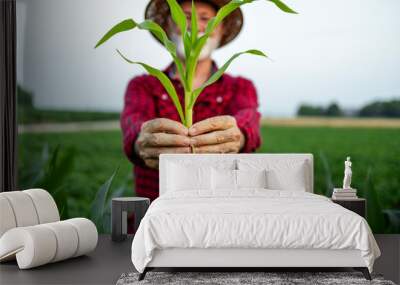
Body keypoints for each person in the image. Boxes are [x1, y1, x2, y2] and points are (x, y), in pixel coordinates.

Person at [121, 0, 261, 201]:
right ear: (168, 26)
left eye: (206, 19)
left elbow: (249, 120)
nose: (195, 25)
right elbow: (132, 124)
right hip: (156, 209)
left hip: (223, 211)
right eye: (184, 17)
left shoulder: (240, 87)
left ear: (220, 29)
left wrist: (238, 134)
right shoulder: (143, 85)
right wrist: (141, 141)